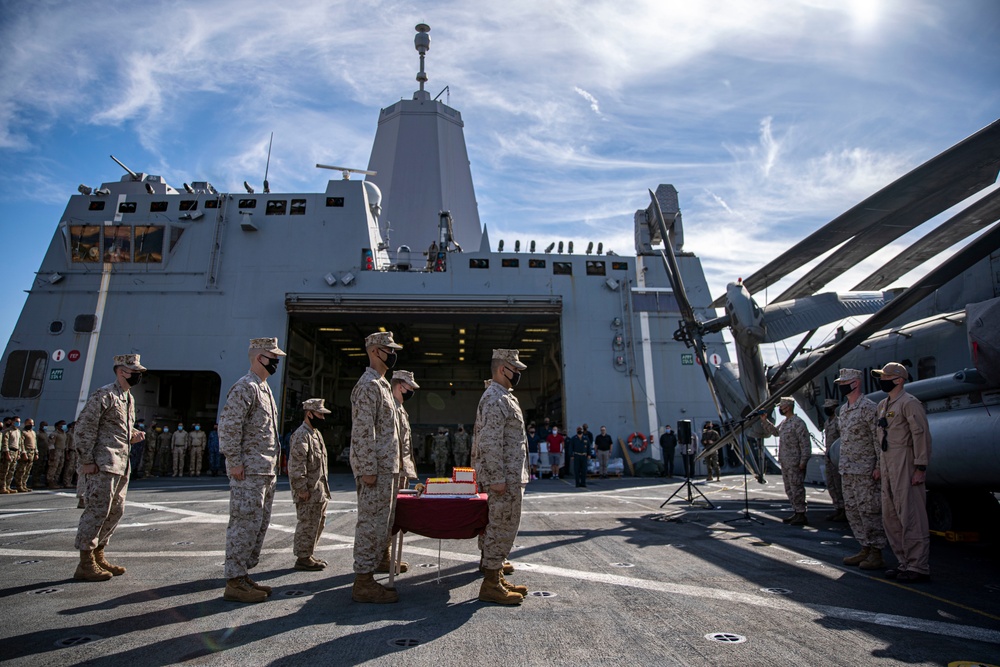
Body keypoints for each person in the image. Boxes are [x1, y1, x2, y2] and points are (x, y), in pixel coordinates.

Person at [219, 337, 285, 603]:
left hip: (264, 470)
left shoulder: (263, 388)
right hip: (248, 470)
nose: (276, 362)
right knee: (243, 524)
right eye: (273, 357)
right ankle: (234, 581)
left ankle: (242, 574)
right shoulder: (245, 387)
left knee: (257, 524)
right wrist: (234, 461)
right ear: (260, 357)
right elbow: (229, 426)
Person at [73, 354, 147, 581]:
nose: (137, 375)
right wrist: (86, 460)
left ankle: (98, 554)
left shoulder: (128, 398)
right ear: (121, 371)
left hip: (121, 463)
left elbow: (119, 429)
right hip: (102, 463)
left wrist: (132, 435)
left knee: (116, 511)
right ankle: (85, 562)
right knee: (97, 510)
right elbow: (84, 427)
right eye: (134, 371)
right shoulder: (104, 394)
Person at [472, 349, 530, 605]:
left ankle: (495, 576)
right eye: (514, 369)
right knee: (500, 526)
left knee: (505, 526)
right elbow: (490, 441)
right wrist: (496, 477)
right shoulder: (496, 398)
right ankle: (491, 584)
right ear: (501, 369)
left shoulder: (504, 396)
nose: (517, 373)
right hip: (503, 478)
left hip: (510, 475)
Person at [349, 331, 403, 604]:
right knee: (370, 523)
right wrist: (368, 468)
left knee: (382, 523)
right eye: (388, 349)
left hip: (386, 468)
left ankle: (376, 564)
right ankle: (363, 582)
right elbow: (362, 431)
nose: (392, 354)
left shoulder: (381, 384)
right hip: (376, 470)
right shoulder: (369, 385)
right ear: (374, 351)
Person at [873, 362, 932, 583]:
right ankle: (904, 562)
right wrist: (879, 465)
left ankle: (918, 566)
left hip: (905, 460)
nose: (882, 380)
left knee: (911, 515)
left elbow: (920, 435)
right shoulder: (882, 405)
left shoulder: (910, 403)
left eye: (886, 377)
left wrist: (920, 467)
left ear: (898, 380)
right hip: (888, 462)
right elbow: (881, 439)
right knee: (891, 516)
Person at [834, 368, 887, 571]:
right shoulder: (844, 409)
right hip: (848, 469)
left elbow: (878, 440)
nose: (841, 386)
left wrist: (878, 466)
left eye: (844, 382)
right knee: (853, 511)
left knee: (869, 510)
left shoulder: (869, 408)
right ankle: (864, 547)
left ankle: (876, 552)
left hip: (865, 470)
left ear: (855, 383)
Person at [288, 398, 332, 572]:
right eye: (319, 413)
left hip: (318, 490)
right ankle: (302, 558)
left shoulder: (315, 433)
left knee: (317, 523)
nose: (322, 417)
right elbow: (297, 465)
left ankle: (308, 554)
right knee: (307, 523)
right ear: (309, 413)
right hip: (308, 491)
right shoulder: (301, 435)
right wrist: (301, 488)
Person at [388, 369, 420, 574]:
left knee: (392, 518)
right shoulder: (389, 407)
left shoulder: (399, 408)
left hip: (400, 472)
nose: (412, 392)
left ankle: (386, 557)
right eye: (410, 387)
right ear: (401, 386)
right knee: (385, 518)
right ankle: (380, 559)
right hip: (391, 472)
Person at [761, 398, 811, 526]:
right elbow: (775, 432)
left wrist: (803, 461)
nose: (780, 409)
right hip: (785, 461)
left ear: (787, 407)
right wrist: (764, 420)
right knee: (789, 489)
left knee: (797, 488)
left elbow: (805, 444)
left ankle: (801, 514)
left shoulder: (798, 423)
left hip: (795, 462)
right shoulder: (785, 422)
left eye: (781, 406)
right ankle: (796, 511)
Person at [822, 398, 846, 521]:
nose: (826, 409)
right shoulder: (828, 422)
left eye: (829, 407)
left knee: (839, 484)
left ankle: (844, 510)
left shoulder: (838, 421)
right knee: (831, 484)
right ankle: (837, 508)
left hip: (838, 457)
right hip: (829, 457)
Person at [14, 418, 37, 492]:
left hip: (32, 452)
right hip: (26, 452)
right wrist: (23, 453)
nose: (31, 425)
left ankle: (24, 485)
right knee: (21, 470)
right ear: (25, 423)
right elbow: (21, 443)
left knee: (27, 470)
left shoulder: (33, 432)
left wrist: (36, 453)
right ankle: (19, 485)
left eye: (32, 423)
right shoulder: (23, 432)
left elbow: (35, 444)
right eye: (29, 423)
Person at [46, 420, 68, 488]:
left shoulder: (64, 434)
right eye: (62, 424)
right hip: (56, 451)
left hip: (62, 451)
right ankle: (50, 481)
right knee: (53, 467)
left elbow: (65, 444)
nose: (64, 426)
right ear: (58, 426)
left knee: (60, 467)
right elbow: (51, 444)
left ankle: (55, 481)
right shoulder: (54, 434)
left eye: (65, 424)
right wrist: (52, 454)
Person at [0, 417, 16, 493]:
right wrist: (7, 453)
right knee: (4, 471)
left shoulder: (17, 431)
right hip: (8, 452)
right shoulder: (6, 431)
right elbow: (5, 443)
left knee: (11, 471)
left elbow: (19, 443)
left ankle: (7, 486)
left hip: (15, 452)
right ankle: (2, 487)